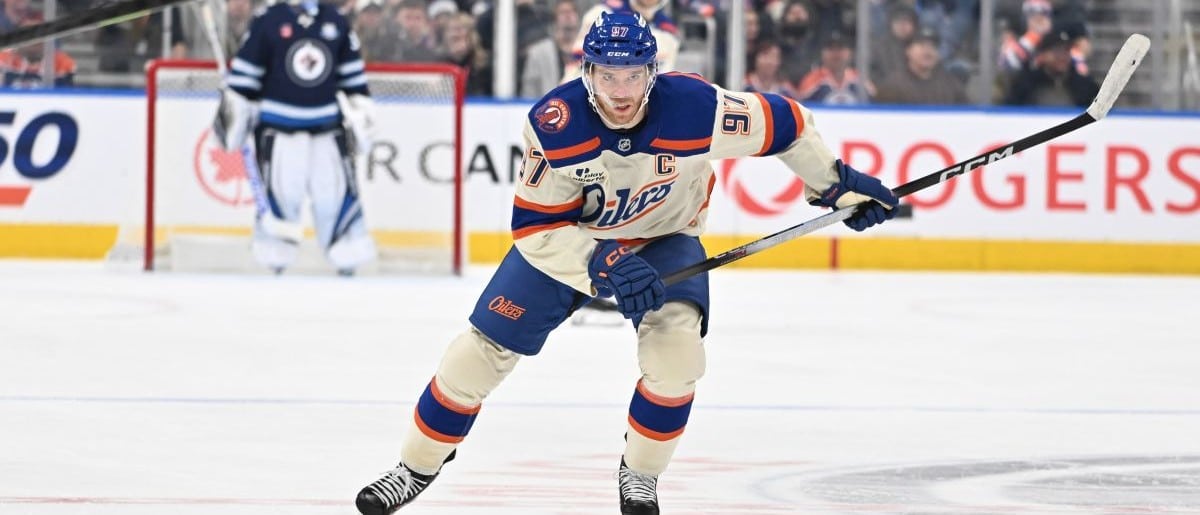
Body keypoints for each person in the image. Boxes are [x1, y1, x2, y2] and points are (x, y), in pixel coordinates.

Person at [354, 12, 899, 515]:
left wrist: (833, 184)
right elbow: (536, 228)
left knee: (678, 358)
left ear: (652, 73)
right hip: (573, 247)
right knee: (476, 356)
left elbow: (789, 124)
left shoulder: (697, 109)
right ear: (587, 72)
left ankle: (640, 474)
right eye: (608, 77)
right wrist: (602, 262)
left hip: (665, 238)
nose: (621, 92)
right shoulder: (555, 124)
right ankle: (414, 467)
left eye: (633, 76)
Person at [214, 0, 378, 275]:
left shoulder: (334, 20)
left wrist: (362, 111)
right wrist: (234, 104)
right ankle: (275, 260)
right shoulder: (268, 19)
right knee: (282, 194)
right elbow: (246, 79)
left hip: (328, 131)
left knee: (333, 194)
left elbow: (353, 80)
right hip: (279, 133)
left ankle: (347, 258)